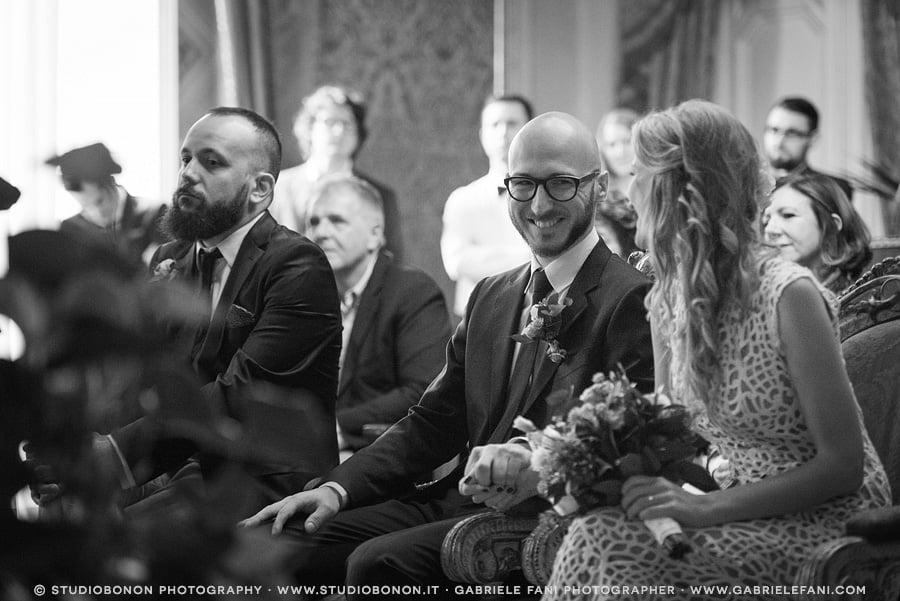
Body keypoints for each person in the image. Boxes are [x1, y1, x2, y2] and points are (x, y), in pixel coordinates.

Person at [241, 112, 654, 598]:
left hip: (536, 517)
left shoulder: (629, 299)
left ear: (599, 186)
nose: (539, 204)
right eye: (522, 184)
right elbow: (432, 421)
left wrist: (533, 460)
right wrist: (335, 489)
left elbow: (630, 444)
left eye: (561, 184)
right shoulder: (492, 295)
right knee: (281, 540)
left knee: (375, 563)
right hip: (450, 499)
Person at [544, 100, 890, 600]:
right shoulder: (667, 298)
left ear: (681, 190)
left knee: (612, 551)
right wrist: (581, 463)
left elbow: (843, 466)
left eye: (639, 174)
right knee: (591, 532)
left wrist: (702, 509)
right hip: (734, 508)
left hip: (828, 527)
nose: (624, 190)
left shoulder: (788, 294)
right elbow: (668, 433)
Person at [104, 107, 342, 509]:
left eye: (211, 162)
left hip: (262, 481)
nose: (188, 173)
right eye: (185, 158)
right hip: (176, 467)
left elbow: (242, 394)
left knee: (119, 553)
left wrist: (114, 456)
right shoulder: (170, 257)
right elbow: (146, 378)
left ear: (260, 189)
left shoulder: (297, 265)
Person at [305, 174, 451, 456]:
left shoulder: (412, 291)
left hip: (377, 454)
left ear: (375, 235)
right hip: (306, 448)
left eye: (336, 220)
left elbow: (424, 389)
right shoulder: (302, 295)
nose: (320, 232)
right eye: (313, 222)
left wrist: (336, 426)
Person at [271, 85, 404, 261]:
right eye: (330, 122)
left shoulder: (380, 195)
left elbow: (391, 262)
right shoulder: (278, 188)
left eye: (347, 124)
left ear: (359, 134)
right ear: (310, 128)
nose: (339, 131)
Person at [441, 94, 533, 318]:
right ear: (483, 136)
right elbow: (457, 262)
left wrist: (486, 258)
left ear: (530, 131)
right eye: (495, 125)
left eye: (512, 123)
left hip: (535, 314)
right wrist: (528, 259)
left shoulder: (548, 194)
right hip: (476, 316)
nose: (503, 132)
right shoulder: (463, 198)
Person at [45, 142, 167, 264]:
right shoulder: (71, 228)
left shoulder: (153, 214)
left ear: (108, 182)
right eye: (86, 206)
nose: (96, 212)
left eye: (99, 201)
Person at [763, 172, 872, 295]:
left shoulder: (863, 297)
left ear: (832, 225)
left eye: (788, 215)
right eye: (766, 220)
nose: (770, 229)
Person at [763, 96, 853, 199]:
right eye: (774, 130)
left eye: (792, 133)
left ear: (813, 139)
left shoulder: (832, 189)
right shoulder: (746, 184)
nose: (779, 142)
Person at [594, 108, 640, 259]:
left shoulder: (656, 193)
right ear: (603, 150)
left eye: (627, 141)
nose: (621, 152)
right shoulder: (597, 200)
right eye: (612, 144)